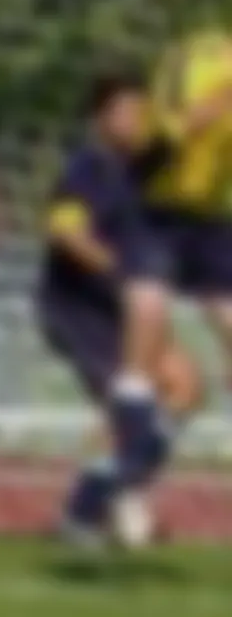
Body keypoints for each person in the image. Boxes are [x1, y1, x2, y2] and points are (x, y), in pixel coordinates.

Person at [38, 69, 231, 548]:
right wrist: (119, 268)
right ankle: (84, 513)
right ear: (100, 119)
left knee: (185, 389)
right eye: (124, 113)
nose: (135, 121)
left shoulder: (147, 166)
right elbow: (66, 231)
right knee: (124, 410)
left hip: (126, 308)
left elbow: (195, 121)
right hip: (80, 307)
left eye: (141, 112)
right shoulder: (89, 167)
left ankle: (119, 490)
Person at [145, 29, 232, 387]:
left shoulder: (193, 52)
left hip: (190, 205)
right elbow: (185, 119)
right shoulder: (204, 58)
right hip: (170, 201)